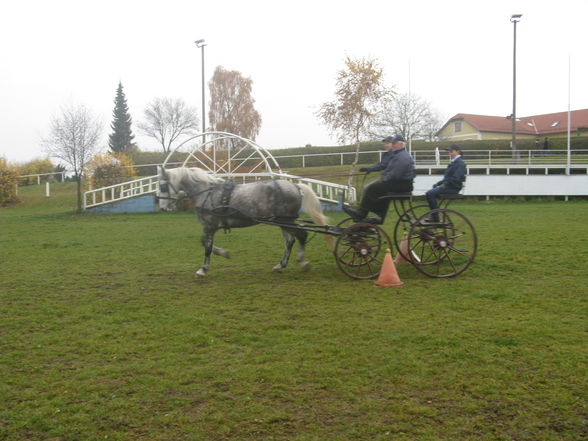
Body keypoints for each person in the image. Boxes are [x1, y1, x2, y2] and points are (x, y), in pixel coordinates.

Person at [343, 134, 415, 223]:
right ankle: (370, 213)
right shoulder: (398, 155)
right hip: (399, 183)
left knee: (373, 187)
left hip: (402, 185)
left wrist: (384, 179)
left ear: (401, 144)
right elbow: (389, 170)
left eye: (394, 143)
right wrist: (383, 177)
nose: (392, 145)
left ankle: (363, 213)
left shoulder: (402, 157)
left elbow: (396, 174)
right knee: (375, 187)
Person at [424, 144, 466, 222]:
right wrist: (438, 183)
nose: (449, 153)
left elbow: (455, 178)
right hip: (449, 186)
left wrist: (444, 184)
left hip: (453, 188)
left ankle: (435, 217)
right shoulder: (454, 162)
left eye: (451, 151)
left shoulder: (460, 163)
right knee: (431, 192)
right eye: (449, 152)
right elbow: (447, 178)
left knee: (430, 193)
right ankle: (434, 214)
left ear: (457, 151)